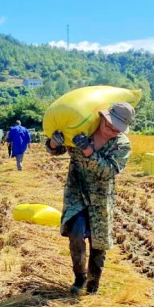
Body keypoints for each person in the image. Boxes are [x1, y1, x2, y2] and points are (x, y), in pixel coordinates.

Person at [45, 102, 134, 295]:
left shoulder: (122, 144)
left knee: (98, 243)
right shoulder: (82, 129)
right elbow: (56, 150)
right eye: (108, 125)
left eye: (116, 129)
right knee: (75, 234)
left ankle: (94, 284)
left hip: (101, 198)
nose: (110, 131)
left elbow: (110, 170)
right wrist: (54, 142)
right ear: (102, 117)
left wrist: (89, 152)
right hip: (76, 191)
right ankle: (80, 276)